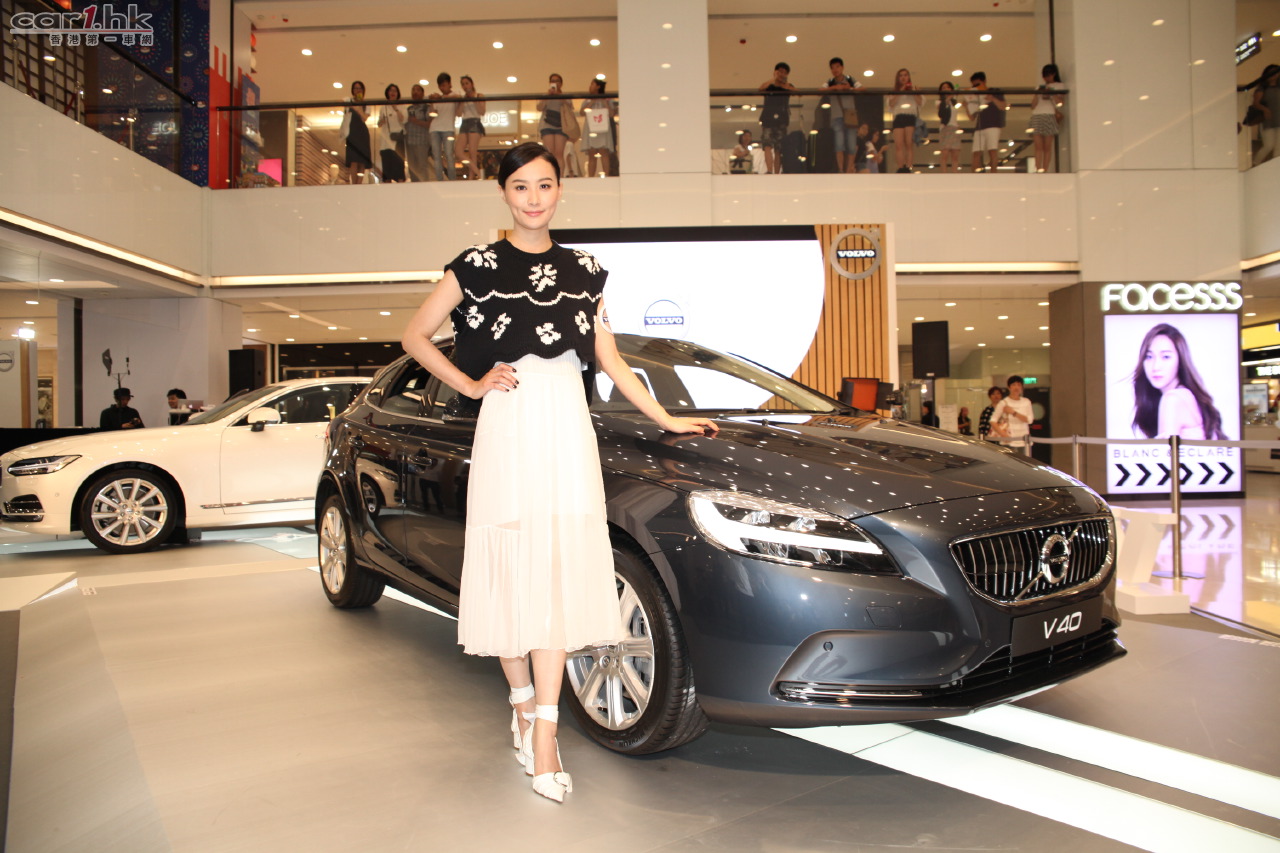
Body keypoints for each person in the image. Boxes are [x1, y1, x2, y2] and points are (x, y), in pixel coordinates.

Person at [399, 142, 717, 803]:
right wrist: (471, 383)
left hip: (567, 428)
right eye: (521, 186)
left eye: (544, 185)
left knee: (552, 574)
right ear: (504, 193)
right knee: (510, 569)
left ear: (560, 190)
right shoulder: (476, 266)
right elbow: (415, 335)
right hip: (508, 424)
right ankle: (521, 703)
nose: (534, 197)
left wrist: (668, 416)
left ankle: (545, 731)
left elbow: (612, 359)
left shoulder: (587, 271)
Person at [1131, 323, 1225, 440]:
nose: (1155, 366)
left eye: (1166, 357)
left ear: (1180, 360)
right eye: (1149, 357)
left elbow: (1165, 451)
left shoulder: (1173, 399)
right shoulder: (1184, 395)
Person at [821, 57, 861, 174]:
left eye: (837, 67)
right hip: (836, 116)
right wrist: (835, 88)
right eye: (832, 68)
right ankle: (841, 170)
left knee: (851, 145)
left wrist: (849, 88)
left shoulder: (850, 79)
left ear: (842, 67)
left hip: (850, 116)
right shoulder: (830, 81)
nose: (835, 70)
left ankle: (848, 170)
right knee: (839, 144)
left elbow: (862, 88)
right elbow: (820, 90)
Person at [965, 71, 1007, 173]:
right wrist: (966, 106)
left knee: (992, 150)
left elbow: (1003, 106)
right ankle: (974, 174)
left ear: (984, 81)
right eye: (974, 85)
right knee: (976, 152)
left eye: (977, 84)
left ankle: (993, 173)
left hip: (993, 125)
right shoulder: (976, 96)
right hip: (980, 126)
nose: (976, 87)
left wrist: (992, 98)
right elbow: (972, 117)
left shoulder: (994, 91)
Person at [757, 62, 795, 175]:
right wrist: (773, 79)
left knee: (779, 147)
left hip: (782, 119)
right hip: (768, 118)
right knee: (767, 144)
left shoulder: (788, 86)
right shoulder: (769, 85)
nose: (782, 74)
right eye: (780, 72)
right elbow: (760, 89)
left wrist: (785, 85)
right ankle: (769, 170)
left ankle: (777, 172)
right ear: (775, 72)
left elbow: (798, 93)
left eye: (784, 73)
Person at [1030, 63, 1066, 173]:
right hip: (1037, 115)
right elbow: (1033, 105)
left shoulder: (1059, 86)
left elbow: (1060, 103)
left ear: (1053, 74)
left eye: (1048, 75)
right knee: (1038, 146)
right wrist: (1037, 93)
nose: (1046, 78)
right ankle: (1038, 169)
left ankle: (1045, 170)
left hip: (1050, 114)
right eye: (1044, 76)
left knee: (1047, 146)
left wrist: (1051, 93)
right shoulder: (1039, 87)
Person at [578, 78, 617, 177]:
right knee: (592, 153)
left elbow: (611, 113)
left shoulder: (607, 99)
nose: (590, 86)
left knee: (604, 152)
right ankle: (591, 177)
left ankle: (606, 175)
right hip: (591, 128)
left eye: (592, 84)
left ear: (598, 86)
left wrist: (604, 102)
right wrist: (592, 102)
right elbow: (582, 112)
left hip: (603, 128)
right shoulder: (587, 100)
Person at [536, 73, 570, 177]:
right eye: (552, 81)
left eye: (557, 81)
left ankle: (560, 176)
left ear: (561, 83)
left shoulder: (565, 96)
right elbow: (539, 107)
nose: (555, 83)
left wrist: (560, 96)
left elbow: (570, 107)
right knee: (549, 153)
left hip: (561, 126)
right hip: (547, 125)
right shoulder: (546, 95)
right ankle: (550, 175)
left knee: (559, 153)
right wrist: (548, 96)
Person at [890, 68, 923, 173]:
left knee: (909, 143)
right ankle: (900, 167)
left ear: (909, 77)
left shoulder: (913, 89)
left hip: (910, 116)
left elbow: (920, 102)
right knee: (898, 144)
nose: (903, 77)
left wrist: (914, 92)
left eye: (905, 75)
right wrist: (900, 91)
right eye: (901, 75)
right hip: (898, 116)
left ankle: (908, 167)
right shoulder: (895, 91)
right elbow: (891, 104)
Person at [428, 73, 459, 181]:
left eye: (444, 85)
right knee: (436, 156)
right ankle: (439, 180)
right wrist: (432, 101)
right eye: (441, 86)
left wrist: (440, 97)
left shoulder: (454, 94)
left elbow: (458, 97)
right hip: (435, 128)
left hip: (448, 129)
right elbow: (432, 113)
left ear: (449, 84)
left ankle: (452, 180)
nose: (442, 88)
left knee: (449, 155)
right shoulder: (437, 98)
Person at [1247, 64, 1280, 166]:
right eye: (1272, 72)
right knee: (1268, 145)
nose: (1274, 75)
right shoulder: (1262, 88)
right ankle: (1255, 164)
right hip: (1268, 120)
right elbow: (1256, 103)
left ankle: (1275, 168)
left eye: (1276, 72)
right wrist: (1265, 109)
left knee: (1278, 148)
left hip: (1278, 119)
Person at [342, 80, 373, 184]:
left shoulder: (366, 105)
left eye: (360, 88)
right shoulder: (348, 100)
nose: (358, 90)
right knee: (353, 159)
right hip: (352, 132)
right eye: (356, 88)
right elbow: (341, 102)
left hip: (362, 133)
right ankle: (354, 182)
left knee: (362, 160)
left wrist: (359, 108)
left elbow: (364, 118)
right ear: (352, 90)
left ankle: (359, 182)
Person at [457, 75, 487, 180]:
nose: (465, 86)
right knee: (458, 151)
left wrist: (473, 99)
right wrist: (463, 100)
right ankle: (478, 173)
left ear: (472, 84)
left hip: (475, 122)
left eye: (467, 83)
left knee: (472, 151)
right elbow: (458, 113)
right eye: (463, 84)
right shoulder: (463, 98)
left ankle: (472, 177)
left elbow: (482, 111)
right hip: (464, 123)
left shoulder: (479, 95)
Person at [990, 375, 1033, 449]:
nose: (1016, 387)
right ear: (1009, 387)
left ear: (1022, 387)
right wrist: (1003, 434)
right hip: (1008, 441)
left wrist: (1014, 413)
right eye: (1014, 385)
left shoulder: (1026, 402)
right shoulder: (1004, 403)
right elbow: (993, 421)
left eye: (1019, 385)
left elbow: (1029, 420)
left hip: (1024, 440)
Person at [376, 84, 407, 183]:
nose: (393, 93)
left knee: (399, 169)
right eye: (391, 91)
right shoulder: (383, 107)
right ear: (387, 93)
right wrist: (382, 121)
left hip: (398, 141)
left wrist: (395, 108)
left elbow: (404, 120)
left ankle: (401, 188)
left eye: (395, 91)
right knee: (387, 171)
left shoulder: (402, 106)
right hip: (385, 142)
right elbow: (379, 124)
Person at [405, 83, 433, 182]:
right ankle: (414, 187)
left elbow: (430, 124)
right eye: (413, 90)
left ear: (422, 93)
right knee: (412, 168)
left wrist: (415, 121)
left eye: (417, 90)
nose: (415, 92)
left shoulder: (426, 108)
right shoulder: (409, 109)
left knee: (422, 166)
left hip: (422, 141)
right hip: (409, 141)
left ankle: (424, 187)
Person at [937, 81, 962, 173]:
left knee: (955, 154)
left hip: (955, 127)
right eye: (944, 88)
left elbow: (958, 86)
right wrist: (946, 100)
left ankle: (955, 173)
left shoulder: (954, 102)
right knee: (945, 153)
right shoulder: (939, 102)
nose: (946, 89)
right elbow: (941, 114)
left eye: (948, 87)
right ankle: (944, 174)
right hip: (946, 128)